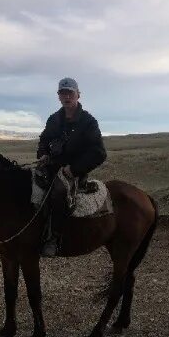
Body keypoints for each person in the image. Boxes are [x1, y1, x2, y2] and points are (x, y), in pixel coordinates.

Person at [36, 77, 107, 257]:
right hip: (51, 167)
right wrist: (43, 154)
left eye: (70, 93)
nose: (66, 97)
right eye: (63, 93)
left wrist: (74, 169)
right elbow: (44, 140)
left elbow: (99, 152)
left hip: (74, 171)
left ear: (78, 95)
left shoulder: (88, 122)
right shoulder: (54, 119)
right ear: (59, 96)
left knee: (58, 192)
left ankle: (54, 238)